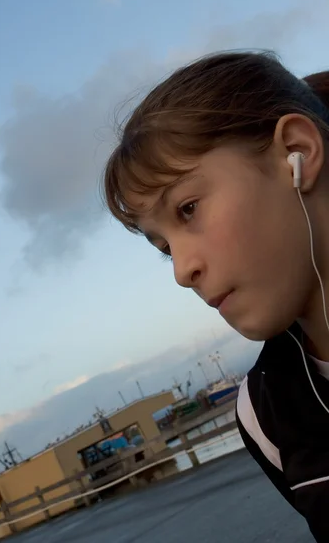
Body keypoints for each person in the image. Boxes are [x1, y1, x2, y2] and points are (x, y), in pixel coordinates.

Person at [102, 50, 329, 542]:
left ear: (298, 153)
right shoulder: (266, 414)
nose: (183, 271)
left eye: (187, 209)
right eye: (164, 248)